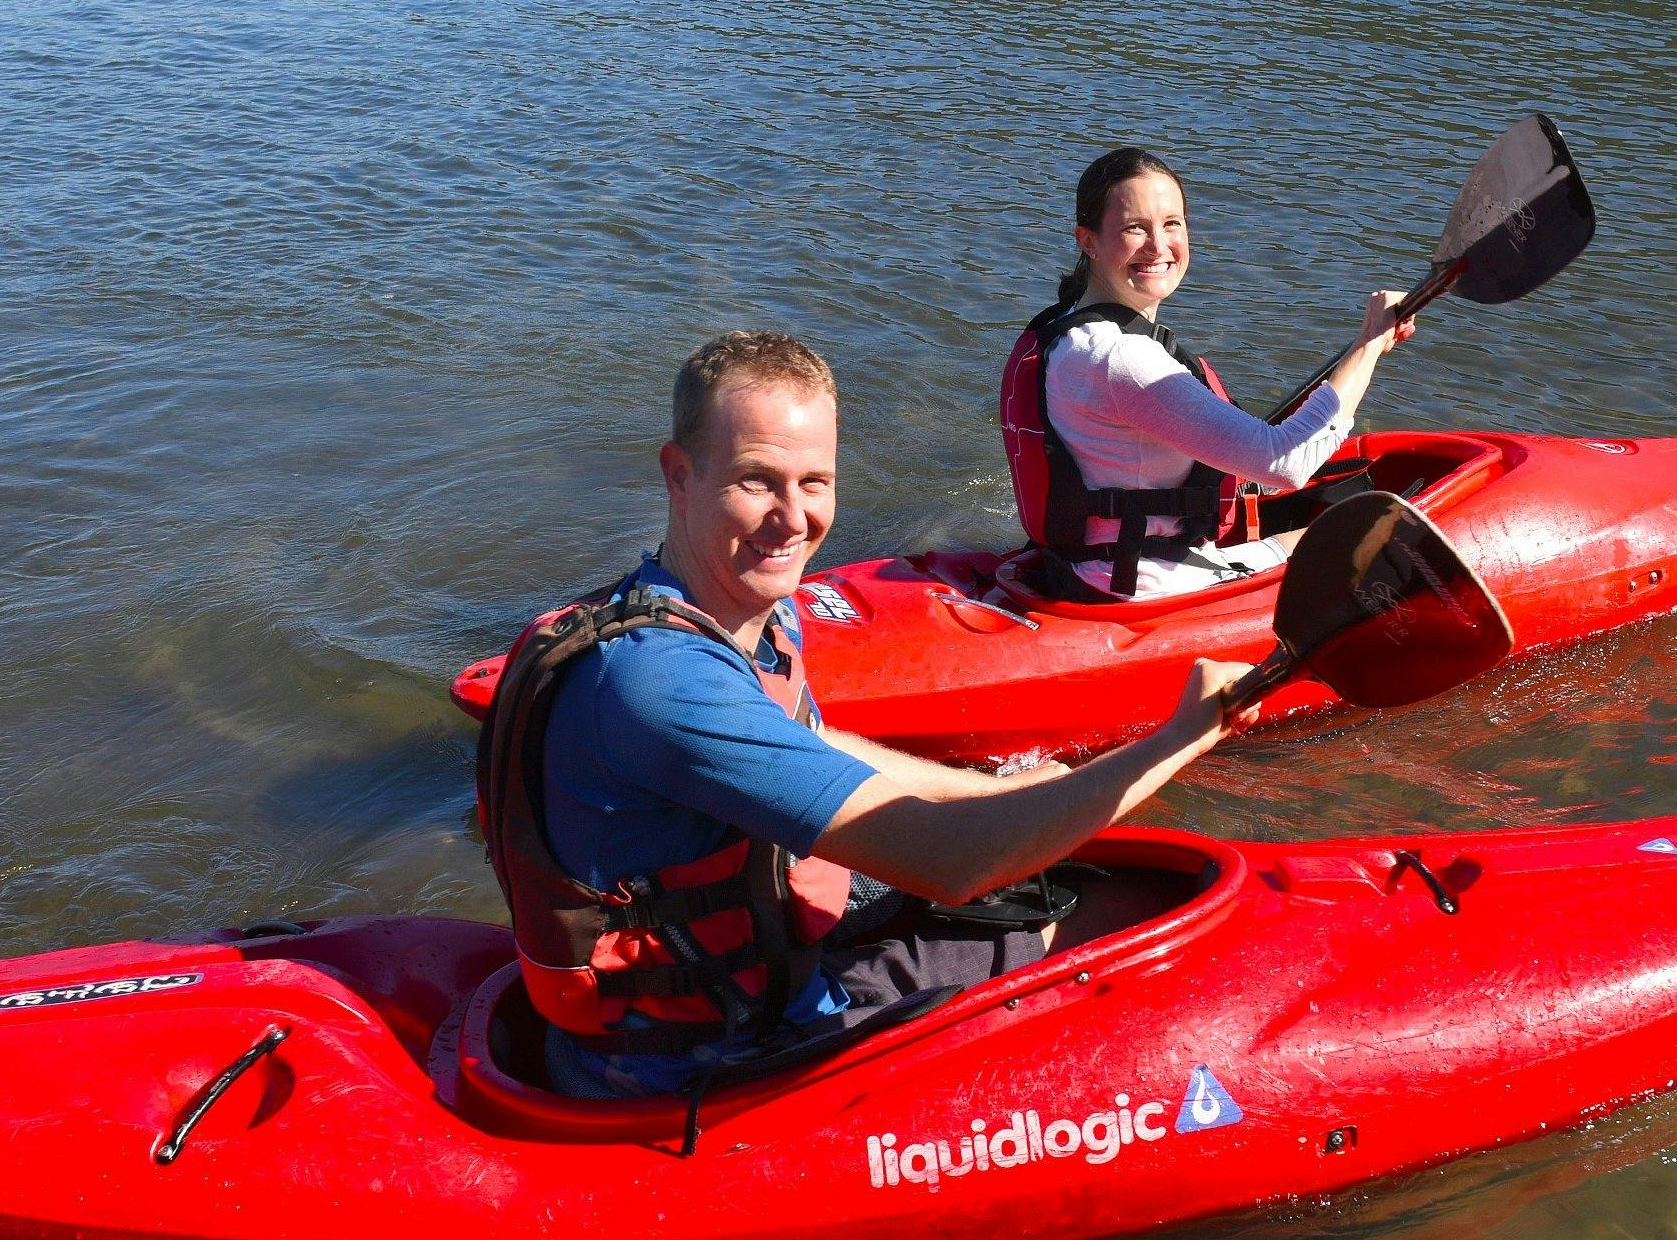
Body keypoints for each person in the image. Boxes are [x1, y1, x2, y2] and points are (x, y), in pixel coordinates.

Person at [477, 330, 1246, 1099]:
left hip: (763, 978)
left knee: (1076, 886)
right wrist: (1185, 734)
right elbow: (955, 863)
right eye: (756, 481)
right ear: (679, 474)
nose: (791, 519)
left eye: (813, 482)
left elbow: (813, 742)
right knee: (1103, 925)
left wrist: (998, 791)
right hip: (698, 1064)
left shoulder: (742, 609)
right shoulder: (659, 683)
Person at [998, 147, 1415, 599]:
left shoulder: (1068, 326)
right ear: (1089, 241)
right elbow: (1288, 462)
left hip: (1091, 565)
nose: (1158, 246)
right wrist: (1369, 343)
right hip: (1139, 585)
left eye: (1171, 224)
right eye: (1135, 228)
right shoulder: (1122, 357)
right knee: (1375, 532)